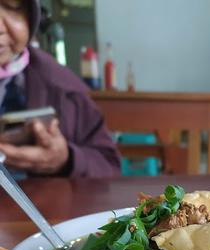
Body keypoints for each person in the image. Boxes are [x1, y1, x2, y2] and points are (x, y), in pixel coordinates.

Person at [0, 0, 120, 177]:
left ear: (31, 17)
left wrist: (66, 159)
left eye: (11, 8)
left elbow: (109, 166)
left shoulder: (63, 87)